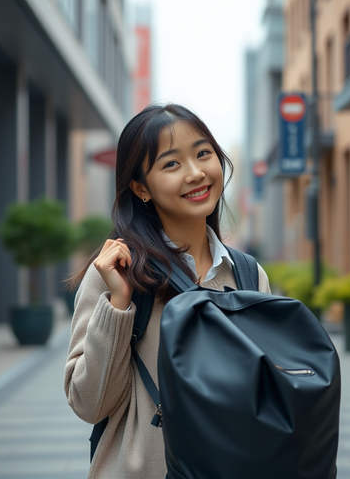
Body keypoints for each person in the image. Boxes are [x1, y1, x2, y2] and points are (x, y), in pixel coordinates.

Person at [64, 103, 271, 479]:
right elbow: (89, 404)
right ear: (141, 188)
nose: (196, 173)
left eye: (203, 154)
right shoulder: (117, 271)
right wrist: (118, 304)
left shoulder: (247, 274)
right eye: (172, 164)